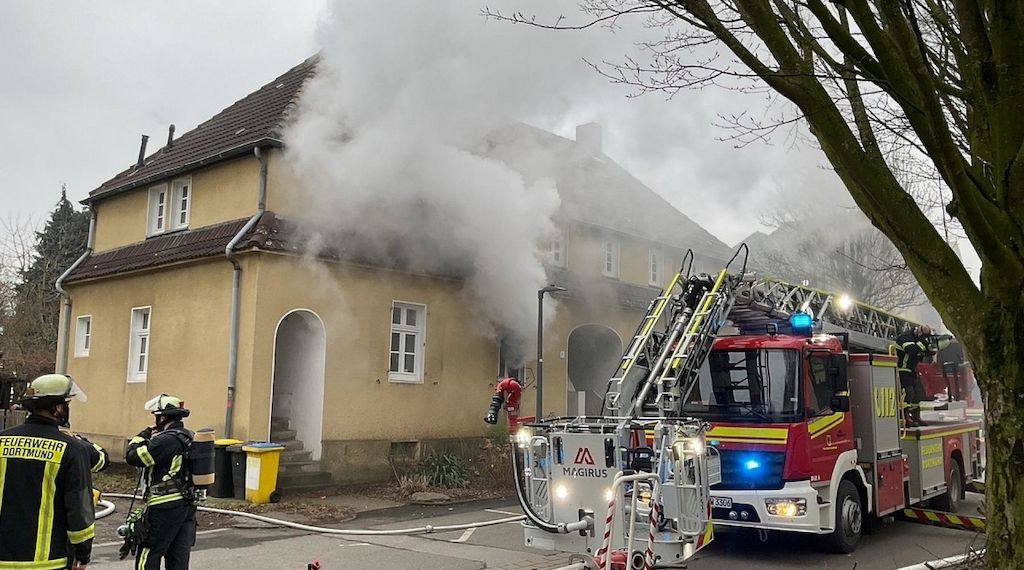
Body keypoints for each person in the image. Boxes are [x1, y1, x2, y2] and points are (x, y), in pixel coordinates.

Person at [0, 374, 95, 570]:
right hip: (46, 560)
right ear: (56, 407)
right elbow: (79, 508)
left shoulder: (2, 440)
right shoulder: (71, 449)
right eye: (65, 404)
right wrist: (82, 552)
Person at [124, 394, 196, 570]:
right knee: (178, 556)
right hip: (186, 505)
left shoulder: (165, 441)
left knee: (148, 552)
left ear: (162, 417)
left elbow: (132, 456)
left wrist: (143, 435)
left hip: (164, 506)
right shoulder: (188, 436)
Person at [895, 325, 948, 427]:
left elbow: (925, 353)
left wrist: (932, 348)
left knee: (918, 394)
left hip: (912, 370)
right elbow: (911, 350)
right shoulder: (905, 337)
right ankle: (904, 417)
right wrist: (924, 344)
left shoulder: (919, 340)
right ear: (918, 331)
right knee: (908, 393)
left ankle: (916, 416)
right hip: (902, 369)